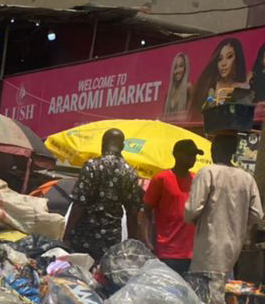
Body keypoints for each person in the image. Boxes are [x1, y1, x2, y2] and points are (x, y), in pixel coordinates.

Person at [184, 133, 262, 304]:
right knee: (224, 295)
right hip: (232, 251)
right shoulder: (247, 178)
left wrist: (196, 219)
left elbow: (191, 210)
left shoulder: (208, 172)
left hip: (208, 250)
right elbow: (257, 215)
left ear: (216, 150)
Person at [64, 128, 147, 261]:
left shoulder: (92, 166)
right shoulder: (129, 172)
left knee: (78, 276)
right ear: (122, 147)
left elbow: (79, 204)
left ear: (103, 144)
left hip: (83, 235)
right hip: (110, 239)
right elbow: (132, 213)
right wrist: (132, 243)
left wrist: (66, 235)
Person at [141, 139, 203, 274]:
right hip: (166, 252)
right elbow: (146, 212)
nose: (193, 159)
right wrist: (146, 241)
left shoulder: (197, 180)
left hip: (192, 253)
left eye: (194, 156)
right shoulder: (161, 179)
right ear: (177, 154)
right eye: (189, 155)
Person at [190, 38, 249, 120]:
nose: (223, 64)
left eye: (229, 57)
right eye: (220, 59)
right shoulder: (209, 88)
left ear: (237, 59)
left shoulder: (242, 88)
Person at [162, 52, 193, 118]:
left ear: (185, 68)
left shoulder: (188, 88)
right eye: (175, 68)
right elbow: (163, 115)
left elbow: (191, 115)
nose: (177, 71)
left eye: (181, 66)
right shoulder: (169, 92)